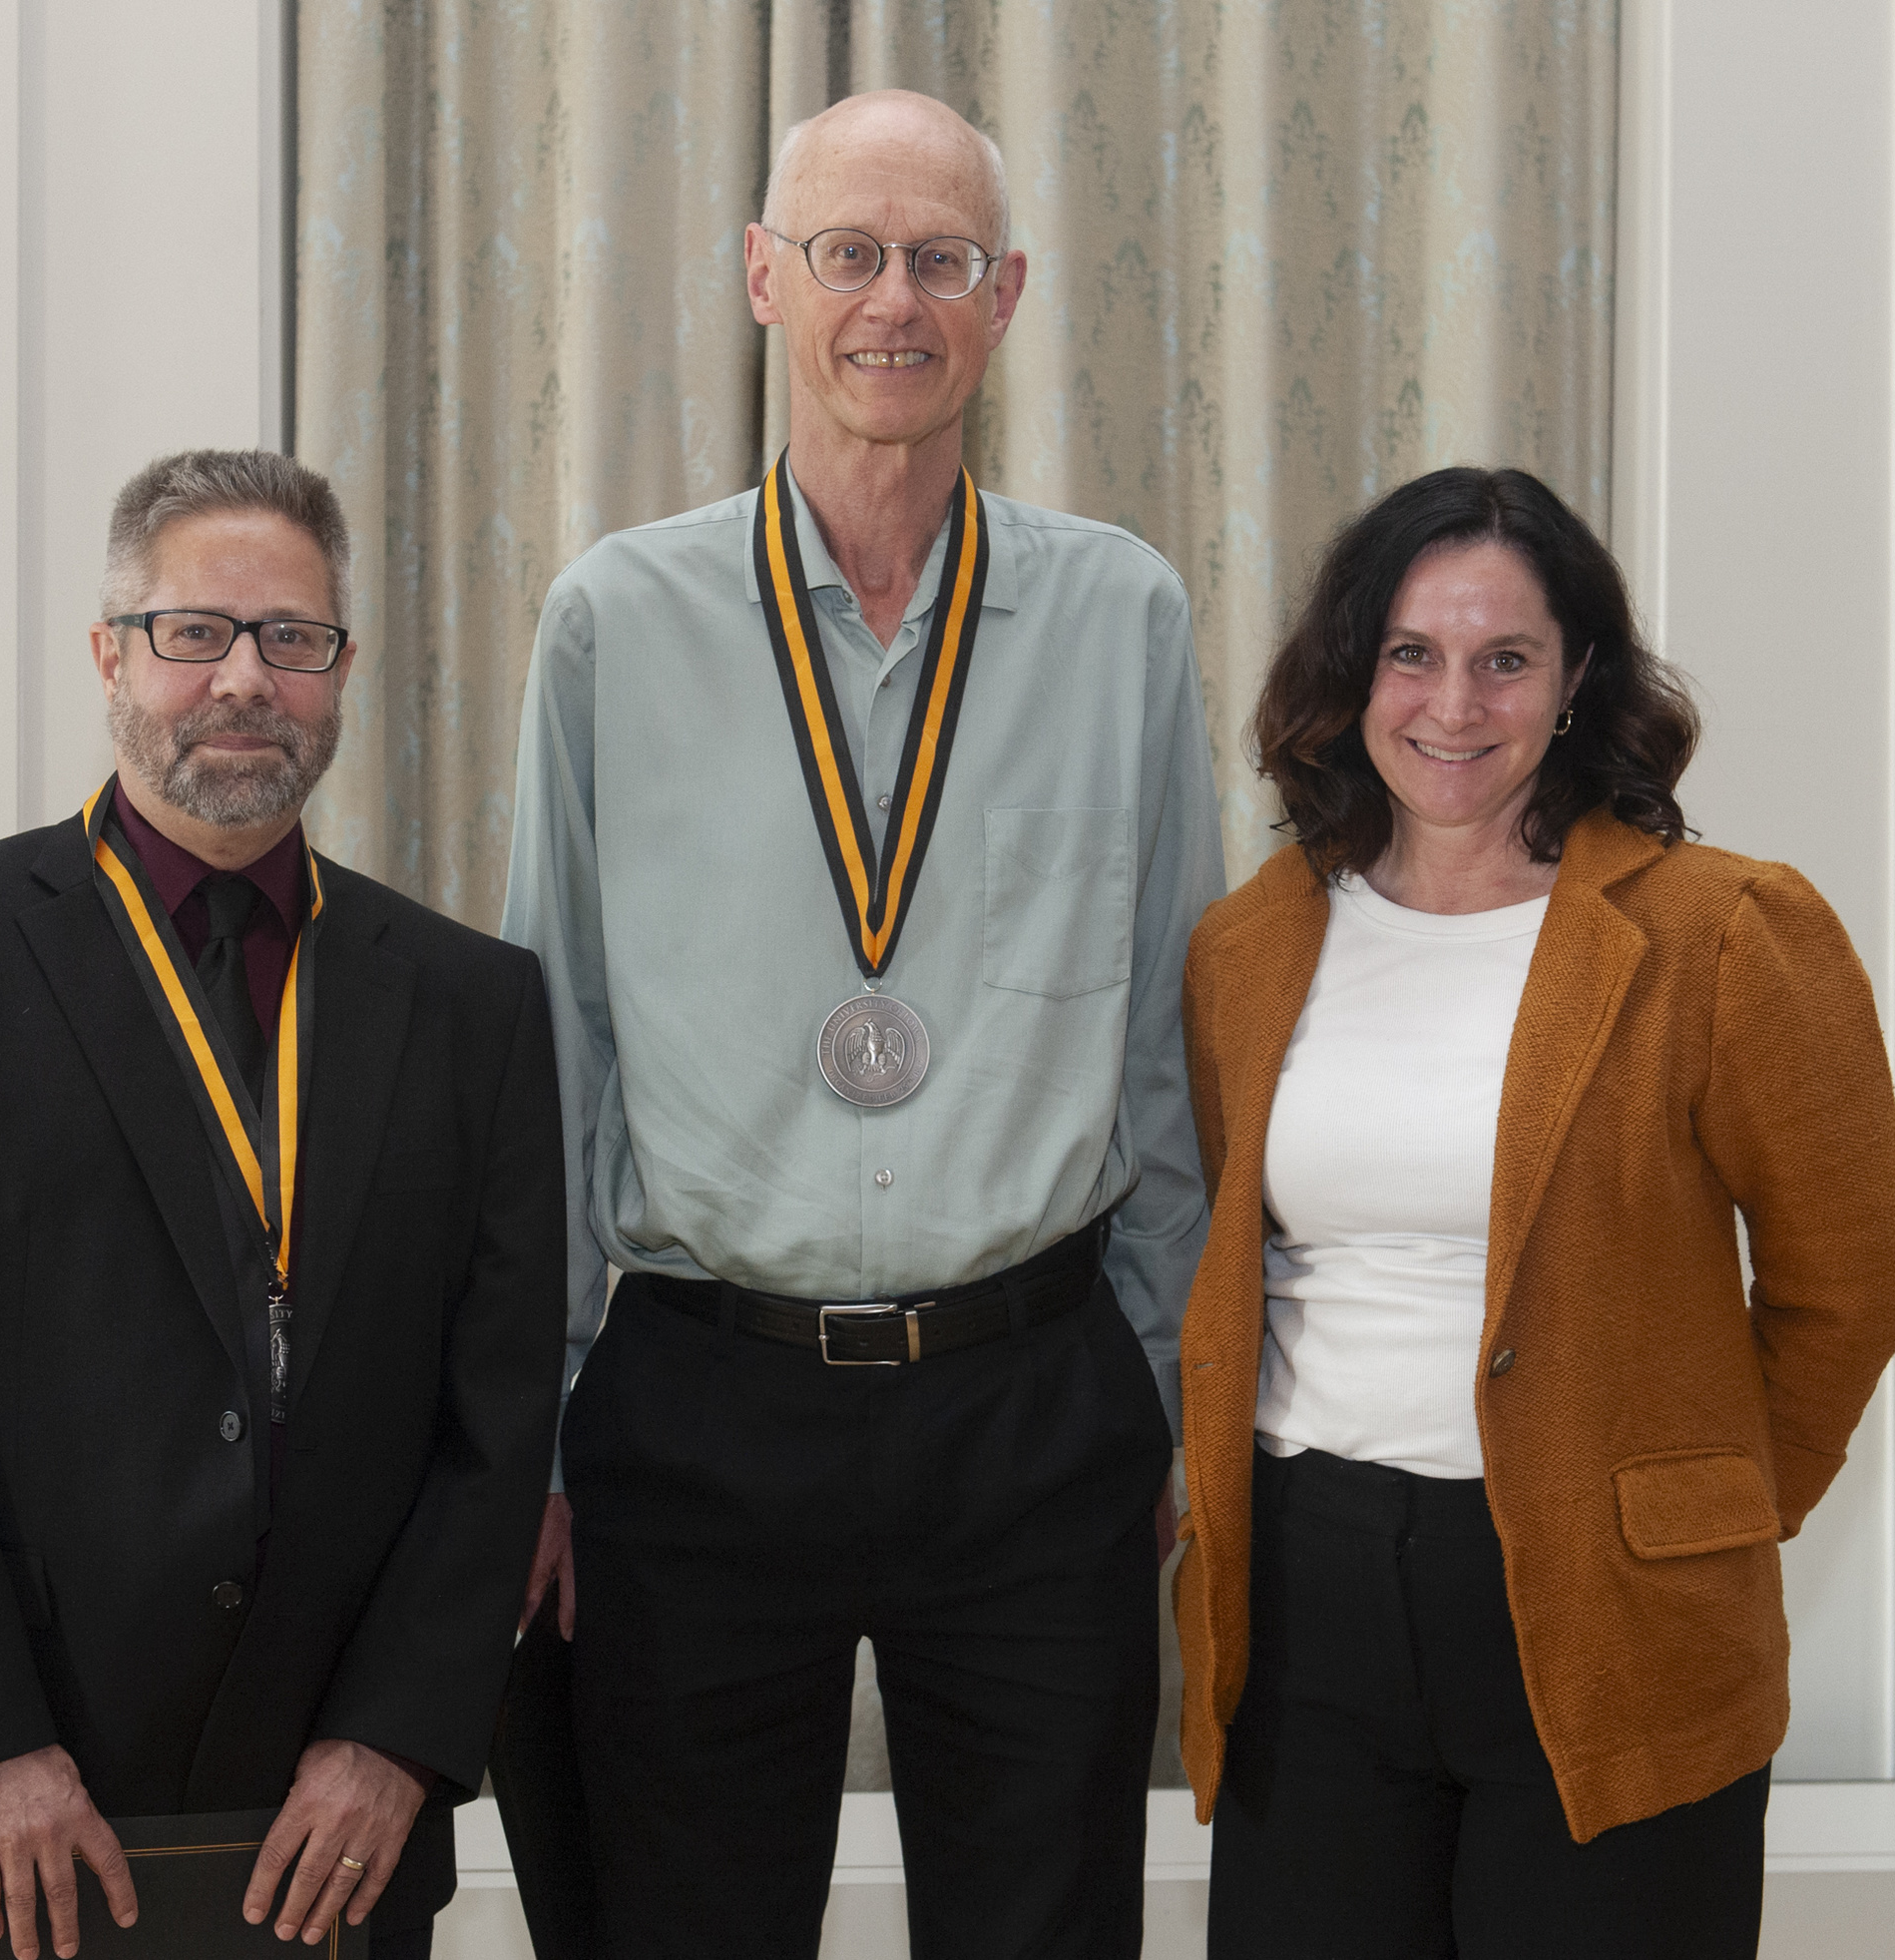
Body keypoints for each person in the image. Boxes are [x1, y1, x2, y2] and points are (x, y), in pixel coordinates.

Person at [498, 88, 1225, 1958]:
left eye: (939, 259)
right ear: (764, 278)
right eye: (849, 252)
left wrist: (1155, 1408)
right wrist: (544, 1444)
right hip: (698, 1405)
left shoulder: (1121, 616)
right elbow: (555, 1059)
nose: (892, 299)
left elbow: (1164, 1046)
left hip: (1034, 1402)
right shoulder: (613, 624)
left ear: (1005, 296)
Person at [0, 450, 565, 1960]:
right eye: (196, 632)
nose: (245, 678)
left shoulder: (474, 1006)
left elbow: (499, 1418)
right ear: (112, 653)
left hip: (329, 1826)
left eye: (292, 639)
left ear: (339, 671)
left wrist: (396, 1741)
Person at [1175, 466, 1895, 1958]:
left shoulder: (1720, 933)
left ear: (1578, 678)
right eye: (1412, 653)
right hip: (1308, 1606)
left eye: (1504, 659)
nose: (1453, 704)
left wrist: (1701, 1506)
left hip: (1614, 1618)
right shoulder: (1249, 944)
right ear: (1353, 670)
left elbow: (1863, 1273)